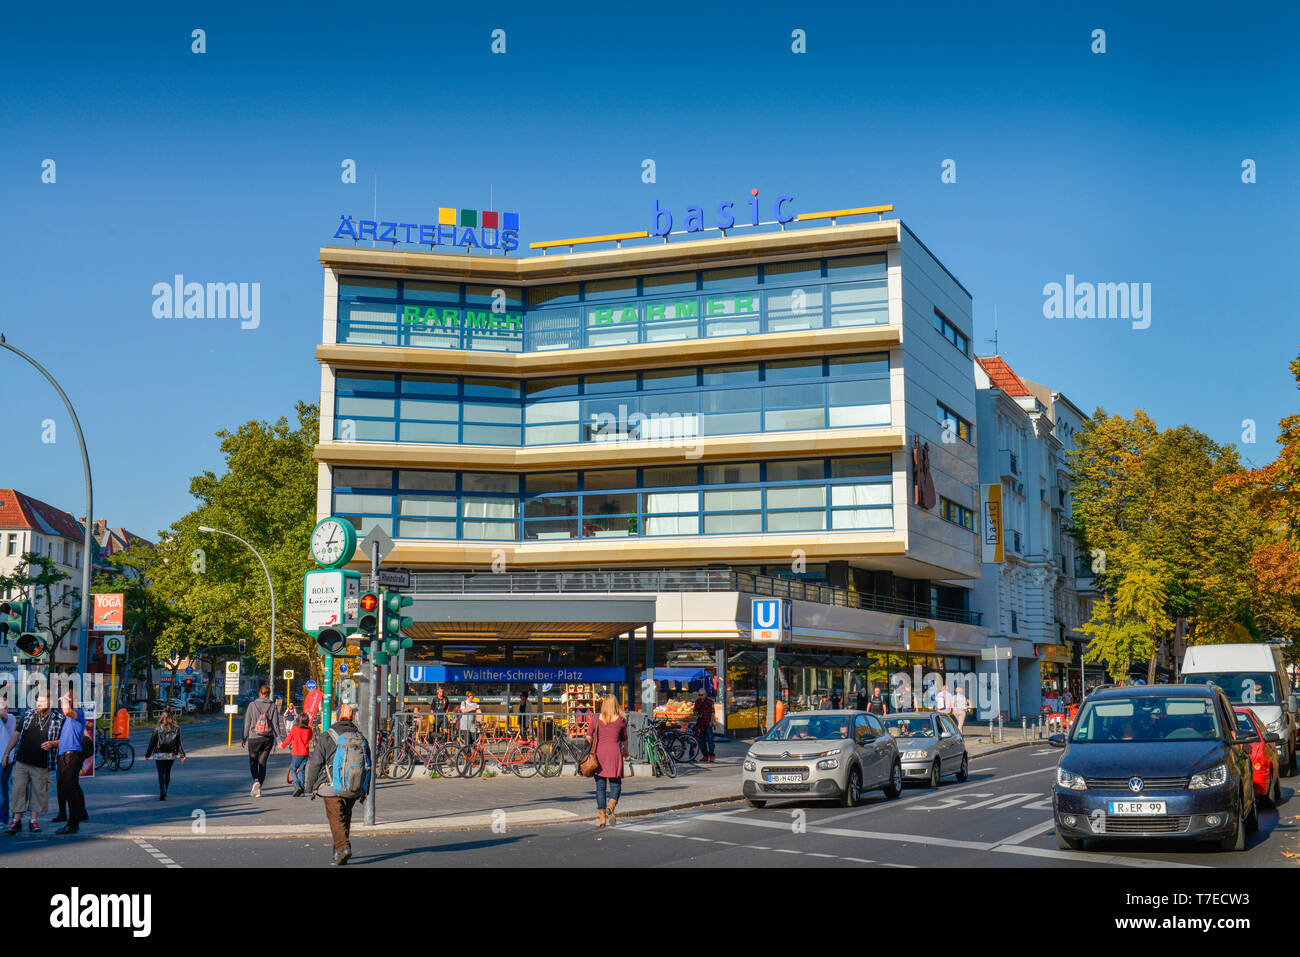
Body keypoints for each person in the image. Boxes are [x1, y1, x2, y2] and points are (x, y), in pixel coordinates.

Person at [306, 703, 369, 865]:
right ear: (351, 717)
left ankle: (343, 848)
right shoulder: (360, 736)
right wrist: (365, 789)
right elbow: (367, 765)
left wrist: (310, 785)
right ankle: (338, 855)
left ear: (337, 715)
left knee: (336, 819)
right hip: (353, 785)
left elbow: (315, 763)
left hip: (331, 786)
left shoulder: (327, 735)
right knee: (345, 817)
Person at [3, 692, 62, 834]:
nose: (38, 704)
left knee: (38, 792)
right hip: (22, 760)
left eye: (41, 702)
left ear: (50, 703)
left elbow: (64, 740)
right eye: (37, 701)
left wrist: (53, 743)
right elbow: (16, 734)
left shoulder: (59, 718)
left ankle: (33, 821)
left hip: (42, 762)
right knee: (18, 791)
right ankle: (16, 822)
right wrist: (7, 753)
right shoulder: (29, 715)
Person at [587, 695, 628, 828]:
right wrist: (626, 751)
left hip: (599, 754)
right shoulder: (621, 720)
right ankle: (611, 805)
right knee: (616, 784)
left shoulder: (596, 719)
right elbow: (624, 738)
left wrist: (595, 742)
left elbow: (588, 737)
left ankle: (602, 817)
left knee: (600, 787)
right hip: (614, 753)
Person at [242, 685, 285, 798]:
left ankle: (256, 780)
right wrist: (279, 740)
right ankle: (259, 787)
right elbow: (275, 724)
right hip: (268, 738)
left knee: (253, 761)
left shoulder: (252, 705)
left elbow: (247, 722)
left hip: (254, 737)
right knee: (263, 762)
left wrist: (244, 737)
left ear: (259, 693)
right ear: (269, 694)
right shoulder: (273, 706)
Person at [54, 694, 87, 834]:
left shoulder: (78, 713)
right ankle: (79, 815)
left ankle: (73, 824)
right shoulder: (69, 720)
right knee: (70, 788)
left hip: (71, 755)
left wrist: (64, 698)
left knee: (70, 789)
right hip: (65, 755)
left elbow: (67, 710)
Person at [144, 707, 186, 800]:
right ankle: (165, 789)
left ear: (162, 717)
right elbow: (178, 743)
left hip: (159, 754)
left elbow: (152, 741)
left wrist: (148, 754)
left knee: (161, 772)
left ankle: (162, 790)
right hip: (171, 754)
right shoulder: (177, 728)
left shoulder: (158, 727)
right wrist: (182, 755)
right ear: (172, 717)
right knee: (167, 772)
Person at [279, 713, 313, 796]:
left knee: (294, 770)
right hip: (305, 753)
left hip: (297, 753)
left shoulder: (295, 729)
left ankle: (297, 785)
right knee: (302, 771)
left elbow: (288, 739)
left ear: (298, 720)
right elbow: (310, 738)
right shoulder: (309, 730)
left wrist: (282, 746)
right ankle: (302, 790)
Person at [692, 685, 716, 763]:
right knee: (702, 741)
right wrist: (697, 715)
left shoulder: (710, 702)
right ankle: (705, 756)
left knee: (710, 740)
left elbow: (713, 713)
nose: (700, 696)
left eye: (702, 695)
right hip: (700, 724)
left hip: (708, 723)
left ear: (705, 694)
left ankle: (711, 755)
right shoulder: (697, 702)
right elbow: (695, 711)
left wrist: (712, 722)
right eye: (699, 695)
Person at [0, 697, 14, 826]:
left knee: (2, 789)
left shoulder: (10, 718)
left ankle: (3, 819)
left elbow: (3, 715)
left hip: (4, 760)